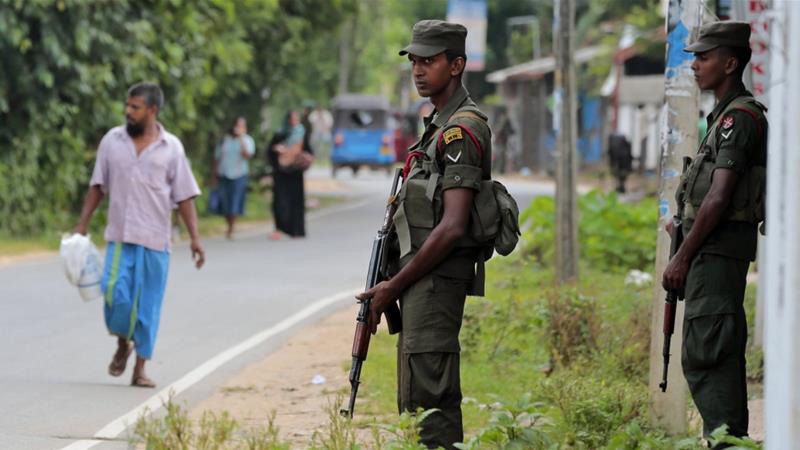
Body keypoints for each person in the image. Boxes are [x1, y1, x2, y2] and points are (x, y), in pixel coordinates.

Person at [357, 20, 493, 449]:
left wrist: (393, 285)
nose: (418, 70)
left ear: (456, 65)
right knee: (416, 399)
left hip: (435, 281)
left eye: (429, 61)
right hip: (421, 280)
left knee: (431, 401)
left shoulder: (460, 131)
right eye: (414, 61)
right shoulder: (436, 125)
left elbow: (452, 226)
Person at [663, 21, 767, 442]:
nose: (695, 66)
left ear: (730, 62)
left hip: (717, 255)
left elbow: (720, 197)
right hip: (710, 253)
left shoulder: (738, 119)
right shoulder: (723, 117)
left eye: (703, 58)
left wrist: (682, 255)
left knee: (711, 353)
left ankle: (728, 441)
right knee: (706, 351)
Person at [74, 82, 205, 388]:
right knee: (114, 295)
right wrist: (82, 224)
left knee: (148, 307)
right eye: (128, 106)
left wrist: (195, 238)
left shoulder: (171, 148)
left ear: (152, 110)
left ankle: (140, 368)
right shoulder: (112, 141)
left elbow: (185, 196)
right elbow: (97, 185)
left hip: (156, 241)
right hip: (120, 237)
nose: (128, 112)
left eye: (135, 107)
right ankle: (123, 341)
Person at [268, 110, 311, 239]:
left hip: (295, 173)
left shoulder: (302, 134)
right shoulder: (280, 134)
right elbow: (270, 151)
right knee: (279, 201)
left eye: (296, 119)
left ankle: (296, 230)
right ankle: (279, 229)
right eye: (291, 119)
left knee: (296, 202)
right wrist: (277, 150)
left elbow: (309, 151)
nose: (293, 121)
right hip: (281, 173)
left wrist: (306, 158)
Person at [212, 116, 256, 239]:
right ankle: (229, 224)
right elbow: (217, 158)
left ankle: (232, 227)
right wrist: (214, 175)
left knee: (235, 201)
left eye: (242, 126)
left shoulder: (247, 140)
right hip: (224, 174)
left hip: (239, 175)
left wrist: (241, 137)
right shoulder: (224, 141)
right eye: (238, 125)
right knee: (225, 202)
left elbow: (247, 155)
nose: (239, 128)